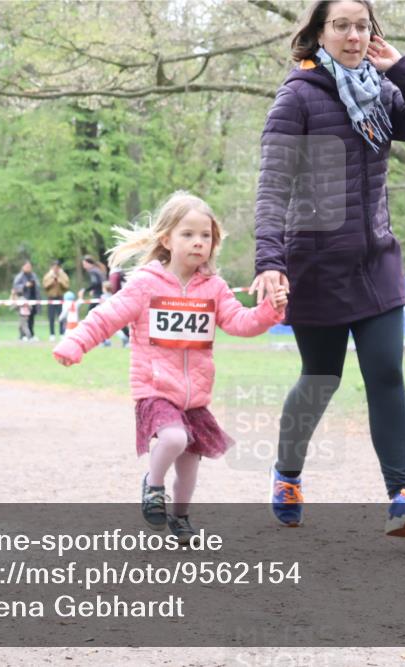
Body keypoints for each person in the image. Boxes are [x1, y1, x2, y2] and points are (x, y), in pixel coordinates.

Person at [251, 0, 405, 537]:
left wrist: (403, 67)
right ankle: (287, 475)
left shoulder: (382, 92)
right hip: (316, 265)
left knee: (385, 372)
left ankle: (402, 494)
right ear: (320, 33)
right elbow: (272, 187)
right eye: (341, 25)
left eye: (362, 26)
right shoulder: (297, 97)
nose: (353, 35)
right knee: (321, 380)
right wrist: (270, 261)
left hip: (376, 261)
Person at [54, 191, 287, 544]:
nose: (198, 242)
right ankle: (153, 484)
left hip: (194, 397)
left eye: (206, 236)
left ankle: (180, 519)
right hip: (156, 389)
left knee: (190, 465)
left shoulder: (214, 288)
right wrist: (76, 342)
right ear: (167, 239)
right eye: (188, 234)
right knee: (174, 438)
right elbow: (106, 316)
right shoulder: (146, 284)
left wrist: (269, 310)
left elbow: (240, 322)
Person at [10, 261, 39, 341]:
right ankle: (23, 335)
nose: (28, 268)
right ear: (23, 267)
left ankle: (31, 335)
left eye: (30, 266)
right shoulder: (19, 277)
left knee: (31, 319)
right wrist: (25, 285)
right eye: (27, 266)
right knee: (23, 321)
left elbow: (37, 287)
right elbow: (15, 288)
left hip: (33, 300)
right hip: (23, 300)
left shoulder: (33, 276)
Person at [43, 259, 70, 341]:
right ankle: (52, 334)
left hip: (60, 297)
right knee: (51, 316)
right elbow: (45, 286)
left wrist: (59, 281)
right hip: (51, 298)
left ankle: (62, 333)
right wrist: (52, 281)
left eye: (57, 267)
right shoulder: (48, 275)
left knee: (61, 316)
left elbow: (66, 286)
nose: (55, 269)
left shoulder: (63, 275)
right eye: (54, 267)